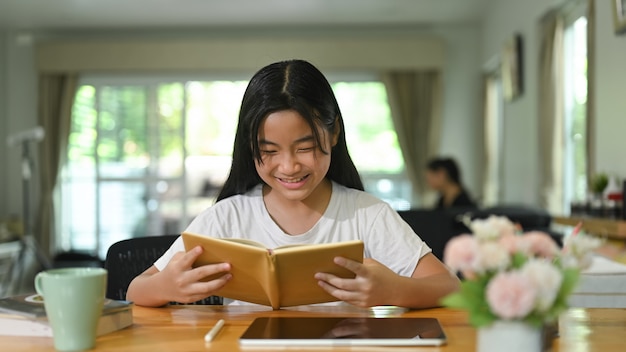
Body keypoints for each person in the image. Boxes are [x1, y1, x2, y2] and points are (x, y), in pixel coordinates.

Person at [126, 59, 459, 308]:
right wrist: (167, 286)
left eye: (305, 147)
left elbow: (451, 287)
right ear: (250, 147)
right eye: (268, 151)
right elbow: (135, 290)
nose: (288, 166)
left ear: (334, 133)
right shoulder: (226, 217)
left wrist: (396, 290)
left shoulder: (367, 214)